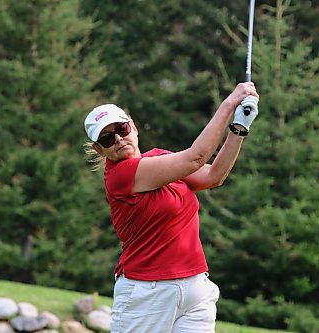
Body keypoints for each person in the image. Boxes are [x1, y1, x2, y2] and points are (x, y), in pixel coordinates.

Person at [83, 82, 259, 333]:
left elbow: (213, 176)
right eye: (108, 138)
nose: (119, 139)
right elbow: (196, 156)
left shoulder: (158, 158)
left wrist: (239, 129)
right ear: (100, 149)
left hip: (195, 288)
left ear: (132, 126)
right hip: (147, 293)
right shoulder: (121, 176)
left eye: (121, 129)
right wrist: (230, 103)